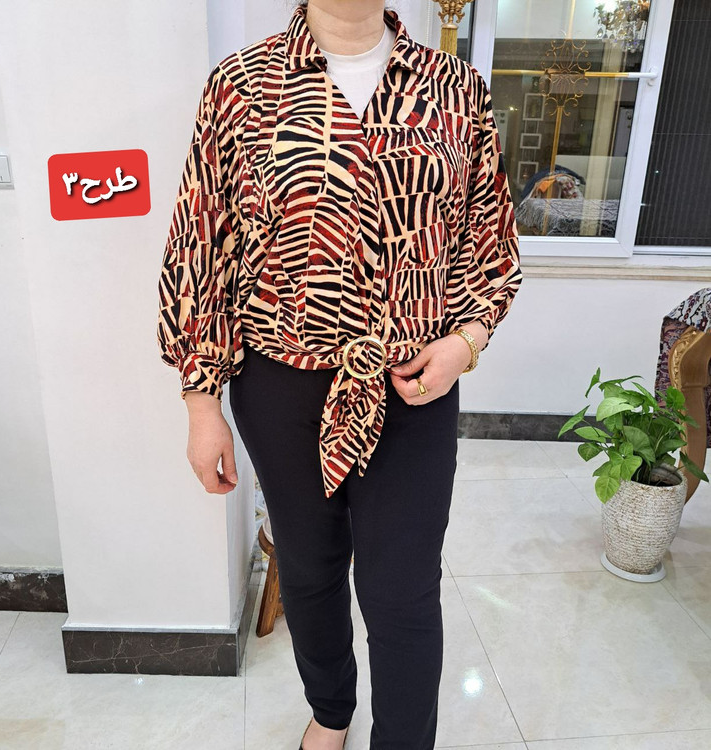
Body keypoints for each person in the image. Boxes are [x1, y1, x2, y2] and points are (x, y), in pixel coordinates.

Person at [156, 1, 523, 748]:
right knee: (309, 568)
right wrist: (201, 404)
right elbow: (202, 244)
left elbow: (490, 241)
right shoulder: (241, 85)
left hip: (413, 382)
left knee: (401, 589)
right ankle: (331, 709)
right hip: (279, 383)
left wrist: (466, 341)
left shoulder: (456, 88)